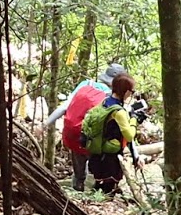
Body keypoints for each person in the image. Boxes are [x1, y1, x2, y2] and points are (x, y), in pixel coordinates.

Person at [47, 63, 127, 192]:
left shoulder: (86, 84)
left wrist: (45, 123)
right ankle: (95, 192)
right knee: (98, 168)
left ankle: (77, 188)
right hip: (93, 140)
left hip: (73, 135)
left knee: (79, 170)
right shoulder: (110, 97)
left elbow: (64, 107)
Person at [81, 74, 139, 196]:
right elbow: (129, 136)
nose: (131, 94)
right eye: (132, 91)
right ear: (126, 91)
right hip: (110, 157)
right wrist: (134, 119)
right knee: (108, 190)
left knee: (97, 188)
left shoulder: (104, 102)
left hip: (97, 153)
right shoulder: (119, 112)